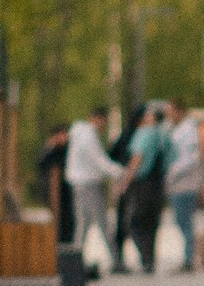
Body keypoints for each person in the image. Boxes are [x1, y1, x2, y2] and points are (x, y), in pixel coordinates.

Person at [62, 109, 124, 271]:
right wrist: (119, 172)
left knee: (84, 224)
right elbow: (98, 160)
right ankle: (115, 261)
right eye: (104, 121)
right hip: (89, 183)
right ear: (97, 119)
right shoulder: (88, 136)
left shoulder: (80, 134)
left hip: (80, 183)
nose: (104, 125)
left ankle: (75, 262)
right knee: (100, 223)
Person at [123, 106, 171, 275]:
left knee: (135, 222)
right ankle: (150, 259)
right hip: (158, 183)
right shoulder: (165, 135)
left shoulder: (144, 134)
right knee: (152, 224)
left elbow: (137, 158)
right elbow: (172, 158)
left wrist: (125, 182)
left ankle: (145, 257)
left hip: (143, 183)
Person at [165, 100, 203, 272]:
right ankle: (188, 258)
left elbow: (190, 159)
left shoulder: (189, 131)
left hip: (185, 184)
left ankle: (189, 260)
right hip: (179, 184)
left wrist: (172, 173)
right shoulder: (180, 130)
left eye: (170, 112)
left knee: (184, 222)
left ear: (179, 111)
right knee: (182, 221)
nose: (168, 116)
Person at [110, 104, 145, 274]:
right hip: (128, 182)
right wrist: (122, 176)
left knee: (125, 220)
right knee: (127, 220)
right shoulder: (132, 135)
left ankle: (120, 257)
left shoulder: (128, 134)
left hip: (125, 181)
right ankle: (119, 258)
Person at [34, 125, 76, 245]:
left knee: (68, 219)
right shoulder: (51, 150)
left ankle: (67, 242)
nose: (64, 138)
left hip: (66, 190)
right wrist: (49, 147)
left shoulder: (68, 150)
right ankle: (58, 241)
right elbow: (40, 163)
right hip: (53, 191)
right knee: (57, 219)